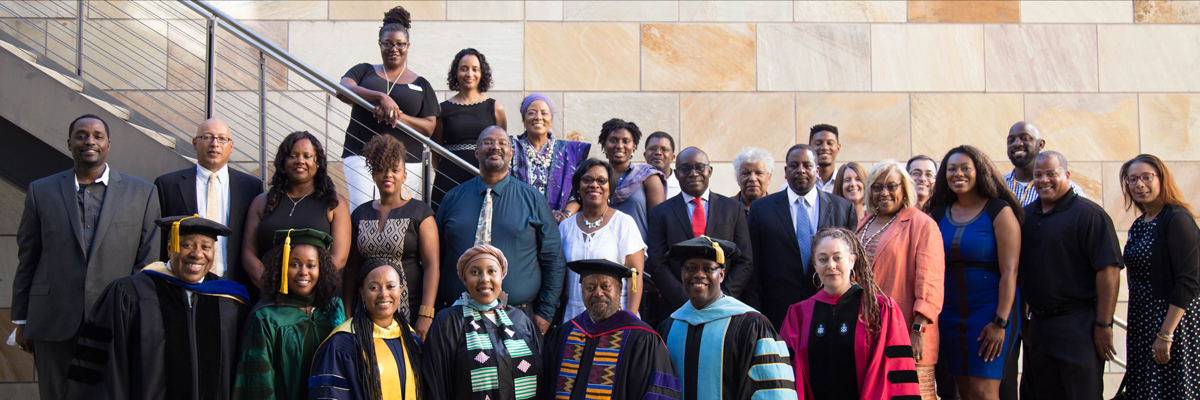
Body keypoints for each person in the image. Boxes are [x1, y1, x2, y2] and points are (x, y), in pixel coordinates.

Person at [12, 114, 160, 400]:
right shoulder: (41, 190)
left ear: (108, 144)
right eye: (81, 135)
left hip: (115, 320)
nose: (88, 141)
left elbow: (147, 264)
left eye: (97, 135)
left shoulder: (142, 192)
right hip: (52, 319)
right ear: (69, 143)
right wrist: (20, 320)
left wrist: (140, 318)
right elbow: (28, 257)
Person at [64, 216, 249, 400]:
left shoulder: (230, 301)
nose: (198, 254)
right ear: (170, 248)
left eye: (206, 247)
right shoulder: (130, 293)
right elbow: (104, 367)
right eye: (188, 245)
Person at [436, 126, 565, 335]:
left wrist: (544, 315)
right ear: (476, 152)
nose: (495, 147)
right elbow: (436, 258)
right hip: (458, 319)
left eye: (503, 143)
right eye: (487, 142)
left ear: (511, 153)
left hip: (519, 320)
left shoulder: (532, 200)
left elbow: (554, 259)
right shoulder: (452, 198)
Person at [1020, 151, 1123, 398]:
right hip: (1040, 327)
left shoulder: (1089, 215)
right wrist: (1024, 322)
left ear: (1067, 175)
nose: (1044, 180)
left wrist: (1104, 324)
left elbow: (1108, 271)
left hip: (1080, 326)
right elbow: (1020, 271)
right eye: (1038, 175)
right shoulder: (1025, 216)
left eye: (1051, 174)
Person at [925, 145, 1023, 400]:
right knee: (964, 390)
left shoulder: (999, 211)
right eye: (952, 169)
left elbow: (1010, 272)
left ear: (979, 172)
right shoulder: (936, 214)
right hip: (948, 316)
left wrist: (1000, 322)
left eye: (965, 168)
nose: (958, 174)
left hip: (990, 313)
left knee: (984, 392)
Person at [780, 228, 922, 399]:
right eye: (823, 259)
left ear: (852, 261)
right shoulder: (798, 315)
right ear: (815, 265)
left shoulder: (880, 310)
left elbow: (895, 374)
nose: (831, 265)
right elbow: (787, 377)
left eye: (838, 258)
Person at [659, 236, 798, 400]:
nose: (699, 274)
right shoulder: (669, 328)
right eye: (691, 268)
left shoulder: (751, 325)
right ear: (682, 273)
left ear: (721, 274)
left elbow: (773, 392)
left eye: (708, 269)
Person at [854, 160, 945, 399]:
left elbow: (930, 284)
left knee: (910, 394)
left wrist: (918, 330)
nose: (884, 192)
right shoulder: (864, 223)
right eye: (877, 187)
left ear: (904, 188)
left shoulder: (922, 224)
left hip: (906, 329)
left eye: (892, 186)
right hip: (868, 329)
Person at [338, 6, 440, 208]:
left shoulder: (421, 84)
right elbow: (343, 89)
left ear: (408, 46)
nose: (394, 49)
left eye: (400, 44)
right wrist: (381, 97)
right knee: (362, 208)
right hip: (360, 154)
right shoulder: (364, 70)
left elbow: (429, 127)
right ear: (380, 44)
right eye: (388, 44)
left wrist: (396, 115)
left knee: (398, 214)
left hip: (406, 161)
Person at [748, 144, 857, 329]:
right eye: (794, 165)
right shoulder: (761, 209)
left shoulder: (843, 208)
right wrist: (756, 316)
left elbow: (852, 267)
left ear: (817, 170)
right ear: (785, 171)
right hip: (777, 315)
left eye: (807, 165)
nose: (801, 170)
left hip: (833, 311)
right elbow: (752, 270)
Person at [155, 118, 264, 300]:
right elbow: (159, 241)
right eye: (207, 137)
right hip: (180, 286)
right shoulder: (168, 185)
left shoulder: (251, 187)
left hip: (234, 287)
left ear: (231, 146)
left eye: (222, 139)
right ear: (195, 143)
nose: (215, 144)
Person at [1119, 154, 1200, 399]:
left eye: (1146, 177)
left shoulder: (1177, 219)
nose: (1139, 184)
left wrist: (1166, 334)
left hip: (1172, 325)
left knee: (1172, 390)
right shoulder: (1140, 223)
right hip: (1143, 322)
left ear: (1161, 179)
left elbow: (1189, 281)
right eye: (1132, 180)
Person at [540, 259, 681, 400]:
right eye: (590, 288)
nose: (598, 293)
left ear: (619, 288)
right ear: (581, 290)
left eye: (605, 286)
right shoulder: (565, 334)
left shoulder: (641, 339)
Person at [646, 147, 752, 326]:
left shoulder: (733, 209)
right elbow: (658, 264)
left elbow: (745, 260)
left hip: (725, 310)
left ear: (709, 171)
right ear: (677, 173)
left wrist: (720, 299)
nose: (693, 173)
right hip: (677, 310)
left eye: (699, 167)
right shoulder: (661, 213)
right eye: (685, 169)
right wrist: (689, 301)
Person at [233, 228, 344, 400]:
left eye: (311, 265)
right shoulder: (266, 317)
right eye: (295, 264)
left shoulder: (333, 309)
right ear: (281, 267)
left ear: (321, 269)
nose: (303, 272)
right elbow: (258, 383)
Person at [421, 245, 543, 400]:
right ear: (464, 279)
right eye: (475, 272)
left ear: (501, 276)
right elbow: (436, 386)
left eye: (492, 271)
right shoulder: (449, 322)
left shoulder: (519, 319)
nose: (484, 278)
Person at [347, 134, 439, 338]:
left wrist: (426, 313)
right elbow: (352, 268)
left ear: (404, 175)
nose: (388, 175)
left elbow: (432, 265)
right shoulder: (359, 215)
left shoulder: (420, 213)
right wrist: (346, 312)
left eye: (395, 170)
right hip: (366, 311)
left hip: (411, 311)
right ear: (373, 174)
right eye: (381, 170)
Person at [243, 131, 352, 292]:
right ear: (283, 161)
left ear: (318, 162)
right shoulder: (261, 202)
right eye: (293, 155)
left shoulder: (334, 203)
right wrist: (273, 284)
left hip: (318, 298)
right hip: (271, 298)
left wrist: (304, 287)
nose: (300, 161)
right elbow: (248, 253)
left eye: (307, 156)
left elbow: (339, 258)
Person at [308, 259, 423, 399]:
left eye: (390, 286)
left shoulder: (412, 341)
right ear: (362, 293)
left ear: (400, 290)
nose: (383, 294)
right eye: (374, 287)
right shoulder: (342, 344)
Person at [559, 159, 646, 322]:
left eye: (601, 181)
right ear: (578, 186)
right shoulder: (565, 227)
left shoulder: (624, 223)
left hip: (616, 317)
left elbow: (635, 276)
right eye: (587, 180)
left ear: (610, 187)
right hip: (574, 318)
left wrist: (630, 320)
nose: (594, 185)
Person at [430, 48, 506, 211]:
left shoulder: (495, 108)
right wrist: (447, 172)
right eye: (464, 68)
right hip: (449, 177)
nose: (469, 74)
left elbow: (503, 148)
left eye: (474, 69)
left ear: (482, 73)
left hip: (485, 176)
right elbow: (435, 151)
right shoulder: (442, 109)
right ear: (456, 73)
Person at [509, 94, 591, 218]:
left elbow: (578, 190)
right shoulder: (511, 149)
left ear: (551, 120)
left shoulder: (568, 151)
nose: (538, 117)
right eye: (531, 113)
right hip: (520, 223)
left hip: (559, 226)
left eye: (544, 113)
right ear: (524, 120)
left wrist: (564, 217)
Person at [600, 118, 665, 240]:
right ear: (604, 144)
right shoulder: (594, 179)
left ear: (633, 146)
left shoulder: (648, 177)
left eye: (626, 141)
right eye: (613, 140)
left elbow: (659, 225)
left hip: (639, 254)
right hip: (601, 252)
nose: (619, 146)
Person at [1003, 121, 1083, 207]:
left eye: (1025, 138)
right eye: (1011, 140)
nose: (1016, 144)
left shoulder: (1068, 189)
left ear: (1040, 144)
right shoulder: (999, 185)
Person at [732, 147, 773, 211]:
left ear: (769, 178)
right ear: (737, 178)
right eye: (746, 173)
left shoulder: (780, 209)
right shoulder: (725, 208)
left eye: (759, 173)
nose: (753, 179)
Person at [644, 131, 681, 199]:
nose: (658, 153)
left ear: (672, 157)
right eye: (653, 149)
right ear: (645, 155)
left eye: (664, 149)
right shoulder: (636, 184)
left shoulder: (681, 186)